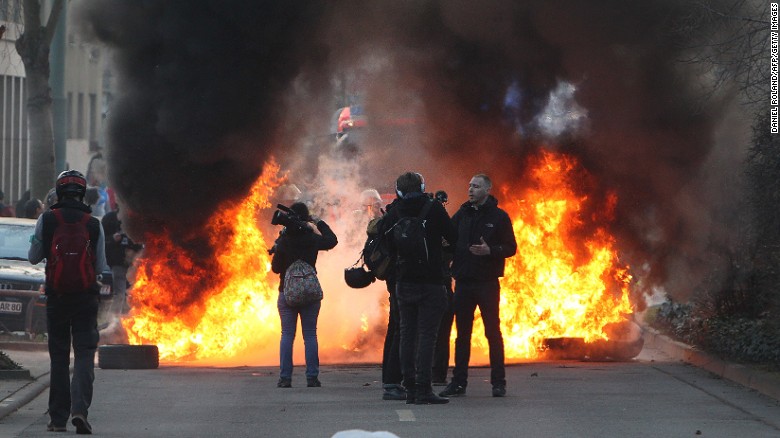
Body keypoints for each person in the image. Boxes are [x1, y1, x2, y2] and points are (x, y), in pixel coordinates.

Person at [28, 170, 108, 434]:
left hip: (57, 298)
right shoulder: (94, 223)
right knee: (85, 354)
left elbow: (33, 256)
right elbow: (102, 267)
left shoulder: (47, 219)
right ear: (82, 192)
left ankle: (58, 418)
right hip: (86, 298)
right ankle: (80, 411)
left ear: (59, 192)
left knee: (59, 357)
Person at [381, 172, 457, 404]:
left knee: (406, 334)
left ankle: (411, 389)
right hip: (431, 282)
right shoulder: (433, 208)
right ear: (423, 187)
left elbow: (384, 243)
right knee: (426, 336)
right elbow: (453, 236)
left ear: (399, 191)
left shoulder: (394, 212)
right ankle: (424, 388)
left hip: (404, 282)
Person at [440, 173, 517, 399]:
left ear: (488, 190)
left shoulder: (499, 217)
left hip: (487, 283)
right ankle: (458, 383)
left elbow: (511, 248)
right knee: (462, 335)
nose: (471, 190)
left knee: (493, 333)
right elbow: (449, 239)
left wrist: (491, 251)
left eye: (476, 186)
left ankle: (498, 383)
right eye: (470, 186)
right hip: (463, 282)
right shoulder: (462, 214)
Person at [270, 202, 337, 388]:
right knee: (310, 335)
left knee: (287, 335)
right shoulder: (311, 238)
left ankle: (285, 378)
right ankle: (312, 378)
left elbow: (276, 269)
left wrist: (279, 250)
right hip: (310, 293)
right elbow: (332, 240)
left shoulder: (284, 241)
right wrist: (318, 222)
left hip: (287, 292)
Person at [102, 207, 142, 318]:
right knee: (119, 294)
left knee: (135, 294)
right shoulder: (110, 219)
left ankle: (131, 318)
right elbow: (101, 241)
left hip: (133, 265)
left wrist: (134, 251)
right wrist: (113, 239)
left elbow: (142, 242)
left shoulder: (137, 219)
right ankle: (114, 319)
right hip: (118, 263)